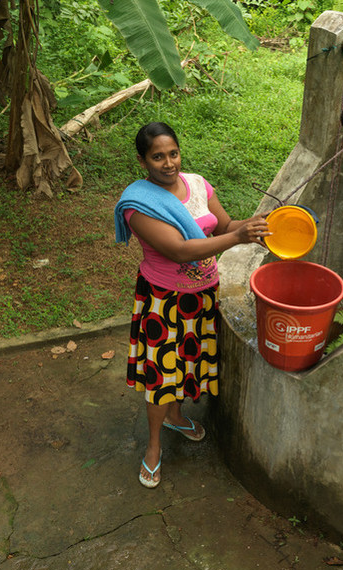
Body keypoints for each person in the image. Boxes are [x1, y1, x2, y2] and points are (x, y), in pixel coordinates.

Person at [114, 122, 269, 488]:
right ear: (142, 161)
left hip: (202, 294)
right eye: (157, 157)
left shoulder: (198, 184)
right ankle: (153, 447)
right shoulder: (138, 206)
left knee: (189, 362)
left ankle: (176, 416)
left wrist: (257, 225)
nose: (168, 163)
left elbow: (225, 224)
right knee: (161, 375)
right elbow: (179, 250)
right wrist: (236, 238)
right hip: (164, 300)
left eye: (173, 153)